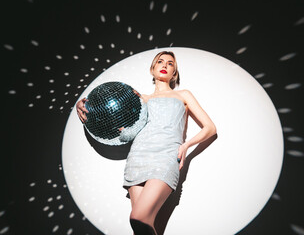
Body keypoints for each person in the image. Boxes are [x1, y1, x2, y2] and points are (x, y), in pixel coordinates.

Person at [76, 51, 217, 235]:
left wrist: (185, 145)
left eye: (170, 63)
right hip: (137, 158)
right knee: (142, 228)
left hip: (166, 156)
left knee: (138, 218)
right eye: (160, 62)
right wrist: (83, 103)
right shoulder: (139, 99)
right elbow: (111, 117)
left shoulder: (183, 95)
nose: (165, 65)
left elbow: (210, 128)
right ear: (152, 69)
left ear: (174, 73)